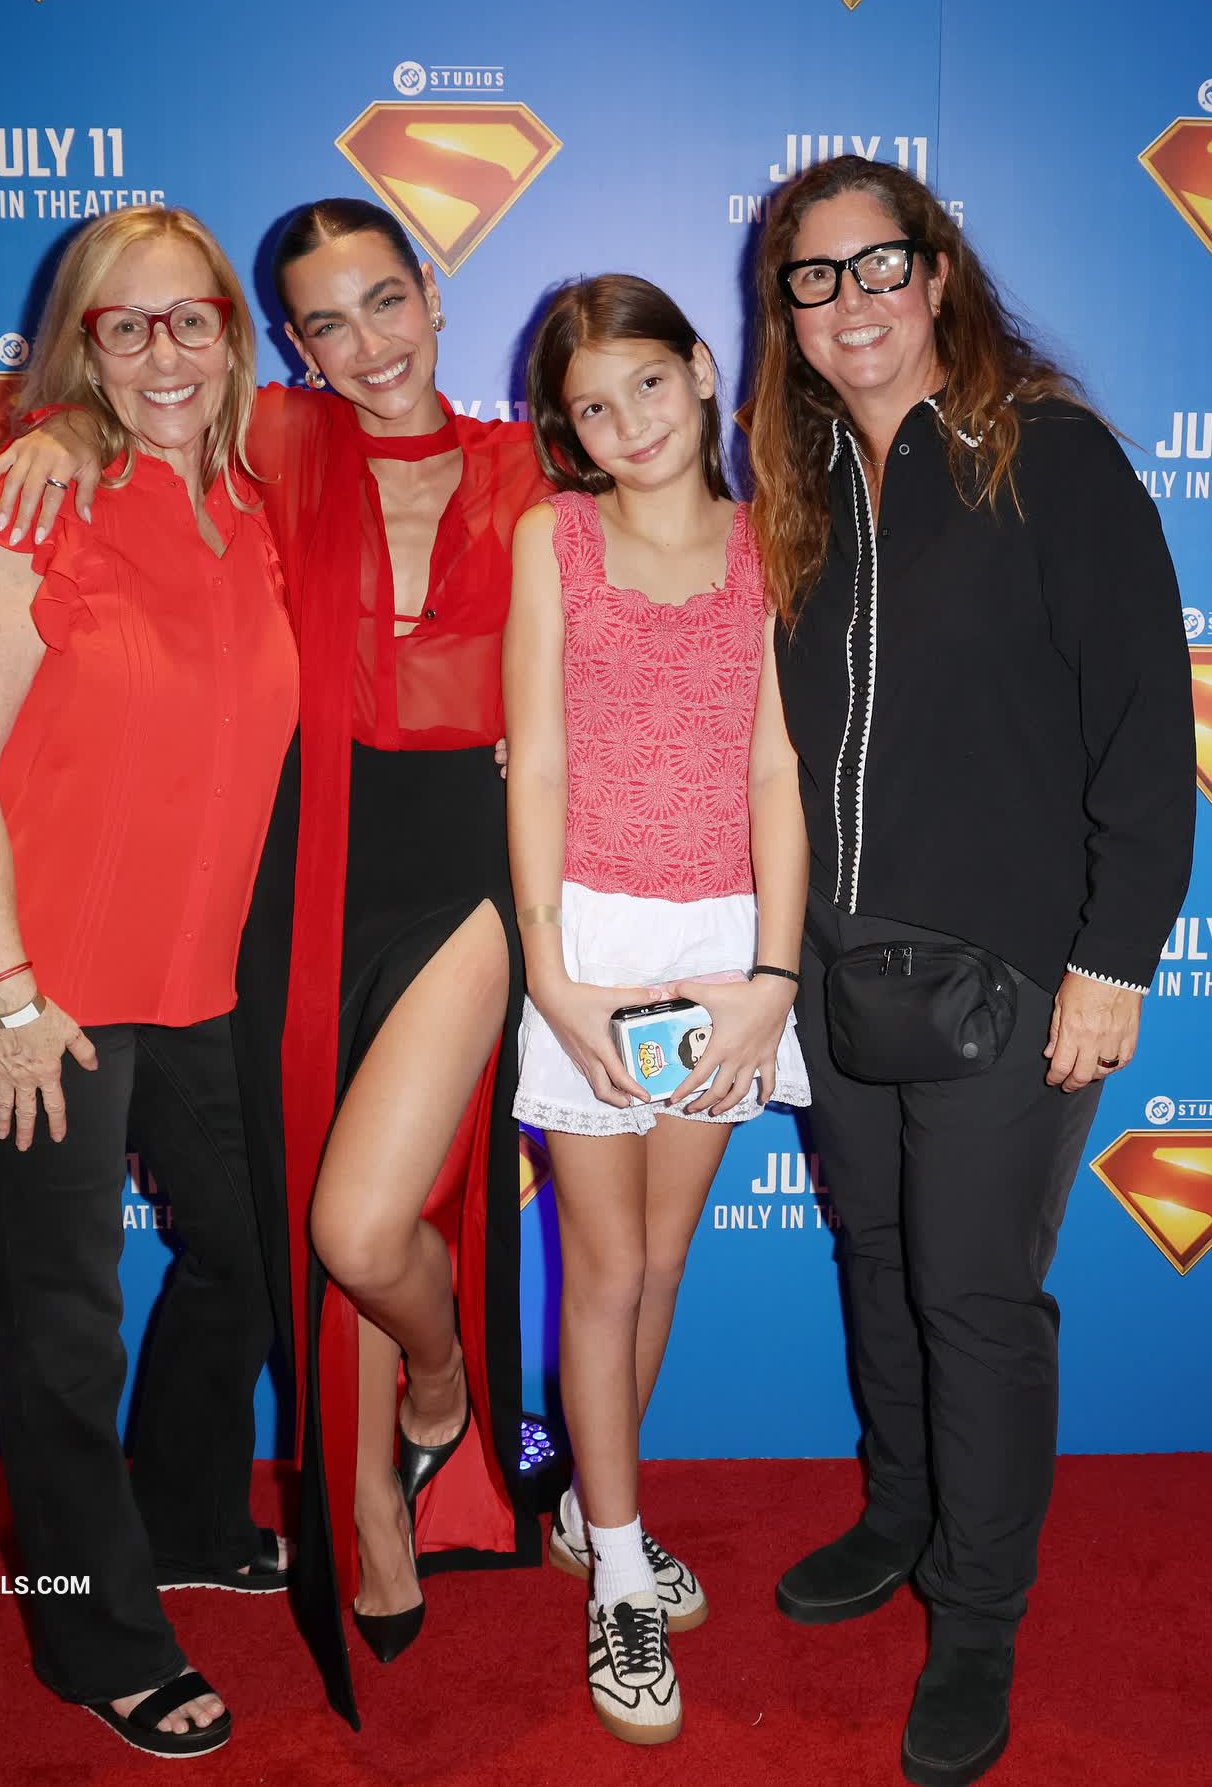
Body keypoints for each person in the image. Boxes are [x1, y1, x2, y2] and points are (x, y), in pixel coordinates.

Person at [0, 196, 547, 1729]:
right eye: (326, 323)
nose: (367, 345)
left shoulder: (530, 464)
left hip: (461, 878)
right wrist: (49, 428)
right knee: (270, 1231)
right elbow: (128, 396)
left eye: (386, 302)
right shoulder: (275, 440)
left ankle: (442, 1390)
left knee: (354, 1226)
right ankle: (341, 1519)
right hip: (289, 884)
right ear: (289, 345)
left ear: (433, 295)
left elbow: (666, 559)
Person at [745, 155, 1195, 1787]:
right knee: (876, 1258)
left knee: (976, 1297)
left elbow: (1149, 728)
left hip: (1012, 969)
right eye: (815, 278)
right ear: (786, 313)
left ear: (937, 275)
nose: (852, 301)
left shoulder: (1049, 457)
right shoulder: (791, 486)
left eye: (881, 265)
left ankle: (980, 1614)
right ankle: (901, 1515)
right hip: (834, 961)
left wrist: (1112, 960)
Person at [0, 204, 298, 1759]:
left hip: (194, 980)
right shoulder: (33, 501)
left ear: (234, 336)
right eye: (126, 327)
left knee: (252, 1251)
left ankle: (186, 1519)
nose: (164, 353)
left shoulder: (260, 501)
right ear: (84, 347)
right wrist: (6, 989)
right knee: (64, 1316)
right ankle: (97, 1636)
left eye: (193, 319)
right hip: (29, 986)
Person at [504, 274, 811, 1744]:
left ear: (699, 370)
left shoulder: (774, 545)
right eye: (590, 407)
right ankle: (620, 1565)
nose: (627, 424)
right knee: (606, 1266)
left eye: (645, 384)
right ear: (565, 432)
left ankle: (591, 1512)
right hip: (593, 936)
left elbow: (777, 774)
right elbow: (541, 760)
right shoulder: (553, 540)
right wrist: (552, 971)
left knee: (665, 1260)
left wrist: (773, 981)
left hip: (725, 948)